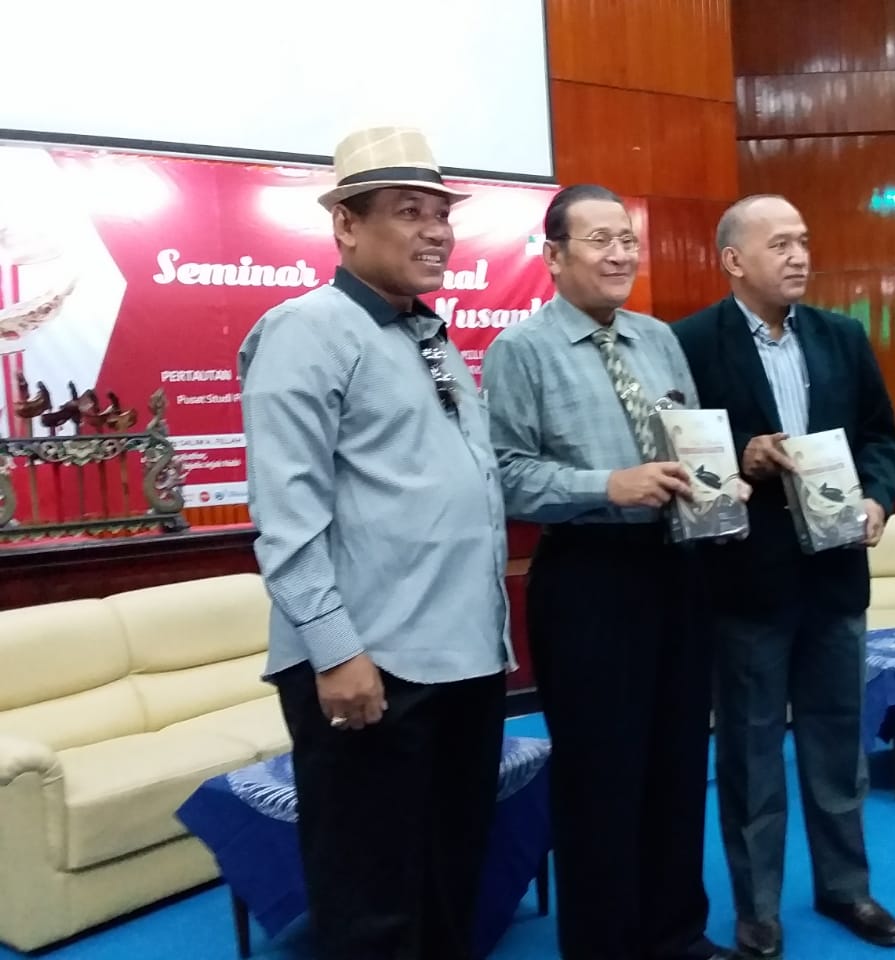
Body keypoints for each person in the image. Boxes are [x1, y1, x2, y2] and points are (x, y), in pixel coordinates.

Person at [239, 126, 511, 960]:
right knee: (370, 897)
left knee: (450, 872)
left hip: (462, 656)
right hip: (369, 665)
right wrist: (333, 652)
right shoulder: (305, 329)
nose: (436, 231)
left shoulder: (427, 334)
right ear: (346, 227)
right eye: (407, 212)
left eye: (441, 214)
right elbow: (287, 517)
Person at [483, 184, 734, 960]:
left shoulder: (659, 339)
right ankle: (604, 944)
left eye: (627, 237)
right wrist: (606, 485)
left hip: (677, 571)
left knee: (677, 761)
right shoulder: (518, 351)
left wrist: (721, 483)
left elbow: (690, 439)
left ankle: (674, 932)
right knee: (602, 776)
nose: (621, 252)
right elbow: (502, 474)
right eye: (599, 239)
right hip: (589, 580)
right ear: (554, 256)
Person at [673, 195, 895, 958]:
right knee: (749, 754)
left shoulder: (842, 337)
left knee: (841, 744)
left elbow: (880, 436)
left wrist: (876, 498)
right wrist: (743, 454)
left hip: (836, 579)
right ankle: (758, 910)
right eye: (781, 244)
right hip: (747, 585)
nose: (800, 255)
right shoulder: (691, 343)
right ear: (735, 259)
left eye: (804, 241)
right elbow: (681, 446)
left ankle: (846, 888)